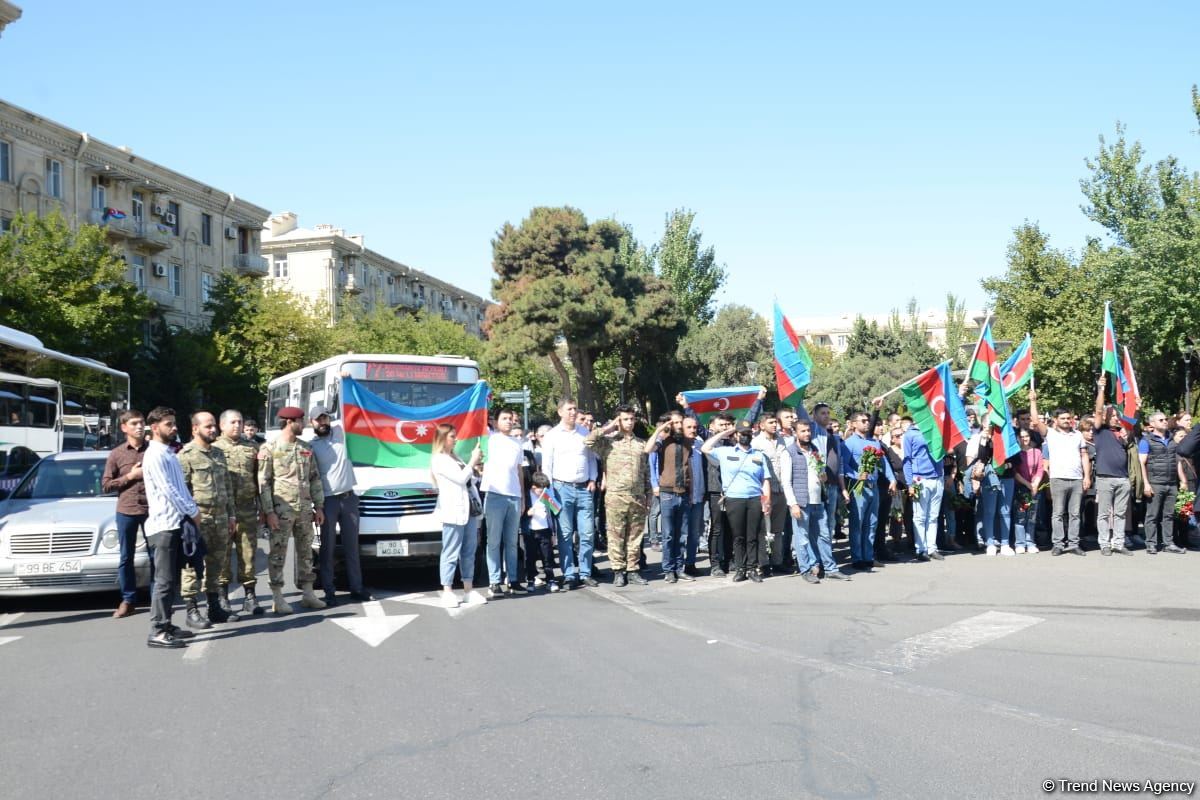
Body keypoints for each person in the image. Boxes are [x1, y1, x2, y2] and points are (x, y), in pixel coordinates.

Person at [258, 406, 326, 614]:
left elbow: (314, 478)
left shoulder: (305, 448)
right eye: (300, 420)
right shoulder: (269, 448)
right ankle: (278, 598)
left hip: (304, 509)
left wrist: (319, 506)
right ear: (289, 422)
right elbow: (263, 482)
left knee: (306, 552)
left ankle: (308, 594)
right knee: (278, 553)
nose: (303, 424)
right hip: (282, 510)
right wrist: (269, 512)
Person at [142, 407, 199, 649]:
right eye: (168, 424)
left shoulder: (169, 452)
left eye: (174, 423)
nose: (174, 428)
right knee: (163, 581)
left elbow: (181, 486)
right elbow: (168, 489)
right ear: (155, 428)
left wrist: (190, 510)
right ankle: (157, 630)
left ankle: (167, 624)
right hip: (163, 525)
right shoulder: (154, 455)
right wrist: (192, 511)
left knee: (172, 579)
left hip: (175, 523)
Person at [178, 411, 239, 627]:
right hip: (198, 518)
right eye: (208, 426)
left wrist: (231, 514)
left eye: (214, 425)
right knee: (192, 565)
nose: (213, 430)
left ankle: (214, 607)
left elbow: (227, 486)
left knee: (217, 563)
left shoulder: (219, 454)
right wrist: (188, 519)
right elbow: (182, 491)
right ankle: (191, 609)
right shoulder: (185, 455)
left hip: (220, 517)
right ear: (195, 429)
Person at [307, 404, 371, 606]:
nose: (322, 422)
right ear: (311, 422)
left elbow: (352, 413)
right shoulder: (311, 446)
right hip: (328, 501)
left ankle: (357, 588)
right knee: (328, 548)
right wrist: (316, 505)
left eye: (325, 418)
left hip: (349, 498)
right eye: (318, 419)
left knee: (352, 547)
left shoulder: (341, 433)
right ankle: (329, 591)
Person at [587, 405, 651, 587]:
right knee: (616, 535)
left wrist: (648, 493)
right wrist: (609, 427)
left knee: (635, 536)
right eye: (625, 419)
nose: (629, 422)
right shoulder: (608, 443)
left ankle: (633, 570)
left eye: (631, 419)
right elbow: (588, 441)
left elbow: (645, 471)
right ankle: (618, 570)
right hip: (616, 496)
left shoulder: (640, 444)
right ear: (618, 421)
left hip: (637, 496)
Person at [700, 419, 770, 582]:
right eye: (742, 433)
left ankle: (752, 568)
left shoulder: (758, 455)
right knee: (738, 537)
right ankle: (740, 569)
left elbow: (765, 480)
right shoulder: (725, 452)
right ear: (736, 435)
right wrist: (726, 432)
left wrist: (766, 501)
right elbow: (705, 448)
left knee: (752, 536)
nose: (745, 436)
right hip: (734, 499)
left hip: (754, 498)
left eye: (748, 433)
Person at [541, 399, 599, 589]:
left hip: (584, 488)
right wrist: (549, 492)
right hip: (560, 489)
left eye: (575, 409)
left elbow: (591, 459)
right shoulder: (552, 436)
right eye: (569, 409)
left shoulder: (584, 432)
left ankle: (585, 572)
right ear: (560, 412)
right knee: (565, 534)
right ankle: (568, 574)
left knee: (587, 533)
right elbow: (546, 466)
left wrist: (593, 479)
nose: (573, 412)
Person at [212, 410, 265, 616]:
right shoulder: (214, 448)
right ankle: (222, 597)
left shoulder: (252, 447)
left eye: (240, 422)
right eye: (233, 422)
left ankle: (250, 596)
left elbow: (259, 479)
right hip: (223, 511)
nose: (237, 425)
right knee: (222, 554)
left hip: (246, 509)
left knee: (248, 553)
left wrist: (263, 507)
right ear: (222, 425)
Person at [431, 423, 488, 607]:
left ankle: (468, 589)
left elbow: (470, 480)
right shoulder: (439, 460)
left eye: (455, 436)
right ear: (442, 438)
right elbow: (460, 478)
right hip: (452, 511)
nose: (455, 440)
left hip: (468, 509)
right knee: (450, 551)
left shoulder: (455, 457)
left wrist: (475, 465)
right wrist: (472, 461)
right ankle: (447, 590)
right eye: (452, 436)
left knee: (469, 551)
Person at [101, 409, 149, 619]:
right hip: (127, 510)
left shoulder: (154, 450)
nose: (139, 427)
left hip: (152, 510)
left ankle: (159, 598)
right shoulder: (117, 454)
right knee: (126, 557)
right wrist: (130, 476)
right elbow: (106, 485)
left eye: (141, 423)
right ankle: (128, 600)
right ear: (124, 428)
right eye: (134, 423)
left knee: (157, 556)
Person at [1030, 389, 1090, 556]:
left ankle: (1074, 543)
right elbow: (1035, 421)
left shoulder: (1078, 435)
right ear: (1055, 420)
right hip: (1058, 479)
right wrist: (1033, 401)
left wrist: (1086, 476)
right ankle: (1058, 544)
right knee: (1057, 513)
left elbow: (1084, 455)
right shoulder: (1050, 433)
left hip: (1076, 479)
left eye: (1068, 418)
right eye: (1062, 418)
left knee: (1075, 514)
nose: (1066, 421)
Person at [840, 411, 896, 570]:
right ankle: (857, 558)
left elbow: (883, 463)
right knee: (857, 524)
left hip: (874, 487)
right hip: (858, 488)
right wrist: (856, 475)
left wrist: (892, 479)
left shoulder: (874, 442)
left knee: (872, 523)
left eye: (867, 421)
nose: (867, 423)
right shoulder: (848, 443)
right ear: (853, 424)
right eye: (863, 421)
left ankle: (868, 557)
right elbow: (843, 466)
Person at [480, 408, 527, 597]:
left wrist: (522, 497)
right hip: (495, 495)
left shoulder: (517, 443)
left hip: (514, 496)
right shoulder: (490, 440)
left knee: (512, 541)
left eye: (510, 418)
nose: (508, 421)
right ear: (496, 421)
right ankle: (494, 581)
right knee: (493, 540)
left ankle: (513, 580)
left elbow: (519, 471)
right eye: (504, 418)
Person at [646, 413, 695, 583]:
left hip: (684, 493)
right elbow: (648, 449)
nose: (679, 425)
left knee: (682, 535)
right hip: (667, 493)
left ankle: (679, 569)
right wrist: (659, 430)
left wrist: (691, 492)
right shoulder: (663, 440)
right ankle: (668, 570)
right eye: (675, 423)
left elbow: (689, 468)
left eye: (680, 422)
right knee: (668, 535)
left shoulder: (687, 442)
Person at [1091, 376, 1135, 556]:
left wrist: (1136, 409)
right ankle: (1104, 544)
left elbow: (1133, 422)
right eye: (1113, 415)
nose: (1116, 418)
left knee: (1120, 513)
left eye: (1117, 416)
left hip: (1123, 478)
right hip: (1105, 478)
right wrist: (1101, 389)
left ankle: (1118, 542)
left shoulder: (1122, 433)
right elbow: (1098, 410)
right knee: (1103, 514)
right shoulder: (1099, 430)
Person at [1138, 411, 1186, 554]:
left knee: (1169, 515)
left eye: (1165, 419)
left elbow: (1177, 461)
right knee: (1152, 515)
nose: (1165, 421)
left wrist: (1182, 480)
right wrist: (1146, 484)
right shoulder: (1146, 440)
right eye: (1161, 420)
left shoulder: (1171, 439)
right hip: (1155, 483)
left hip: (1171, 483)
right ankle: (1151, 543)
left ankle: (1168, 543)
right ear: (1152, 424)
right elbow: (1142, 463)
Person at [752, 414, 791, 575]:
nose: (775, 425)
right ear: (761, 425)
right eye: (771, 422)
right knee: (763, 529)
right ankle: (763, 563)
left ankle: (777, 561)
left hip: (781, 490)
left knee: (778, 530)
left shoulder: (781, 440)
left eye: (775, 422)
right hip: (765, 490)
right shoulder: (756, 443)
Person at [902, 422, 945, 561]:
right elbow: (907, 460)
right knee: (920, 517)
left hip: (937, 478)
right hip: (920, 479)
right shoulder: (910, 434)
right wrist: (910, 483)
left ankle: (932, 548)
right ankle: (920, 549)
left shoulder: (937, 428)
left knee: (933, 516)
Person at [525, 472, 560, 592]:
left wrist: (553, 533)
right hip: (531, 531)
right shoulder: (527, 496)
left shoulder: (546, 495)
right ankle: (531, 580)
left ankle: (550, 580)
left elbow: (555, 510)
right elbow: (520, 513)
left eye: (546, 488)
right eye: (541, 489)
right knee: (530, 557)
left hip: (545, 531)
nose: (543, 491)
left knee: (547, 557)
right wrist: (527, 513)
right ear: (533, 487)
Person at [1013, 428, 1044, 554]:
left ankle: (1030, 542)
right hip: (1022, 488)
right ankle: (1020, 543)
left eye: (1026, 436)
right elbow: (1015, 472)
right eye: (1021, 437)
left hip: (1035, 488)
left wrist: (1035, 484)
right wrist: (1028, 485)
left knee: (1032, 517)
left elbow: (1040, 470)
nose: (1024, 439)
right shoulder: (1015, 453)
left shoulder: (1037, 452)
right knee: (1020, 517)